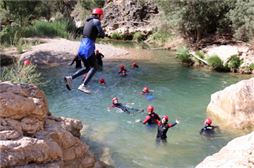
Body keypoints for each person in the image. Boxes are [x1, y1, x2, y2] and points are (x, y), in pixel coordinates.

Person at [64, 8, 105, 94]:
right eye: (101, 15)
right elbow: (102, 34)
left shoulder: (88, 22)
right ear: (98, 15)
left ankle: (70, 78)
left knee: (87, 68)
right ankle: (83, 85)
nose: (102, 17)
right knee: (95, 67)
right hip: (88, 47)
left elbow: (90, 32)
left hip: (82, 46)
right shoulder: (96, 21)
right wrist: (101, 32)